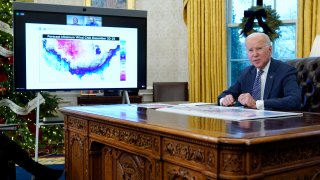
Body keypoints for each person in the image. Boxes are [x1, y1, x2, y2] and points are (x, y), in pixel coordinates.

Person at [217, 32, 301, 110]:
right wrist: (224, 99)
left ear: (270, 50)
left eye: (259, 49)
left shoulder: (285, 71)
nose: (255, 54)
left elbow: (294, 101)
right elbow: (225, 95)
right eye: (250, 50)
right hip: (249, 123)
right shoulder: (247, 72)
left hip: (275, 123)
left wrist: (256, 104)